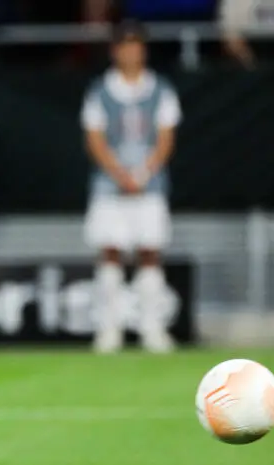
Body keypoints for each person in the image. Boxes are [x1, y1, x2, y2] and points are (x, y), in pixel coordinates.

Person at [81, 20, 182, 354]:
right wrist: (119, 174)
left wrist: (143, 173)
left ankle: (152, 328)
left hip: (149, 186)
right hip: (109, 187)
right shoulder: (100, 91)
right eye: (124, 45)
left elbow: (165, 139)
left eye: (136, 45)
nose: (130, 52)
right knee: (110, 252)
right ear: (115, 51)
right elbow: (95, 140)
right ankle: (109, 329)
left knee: (150, 252)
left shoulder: (160, 90)